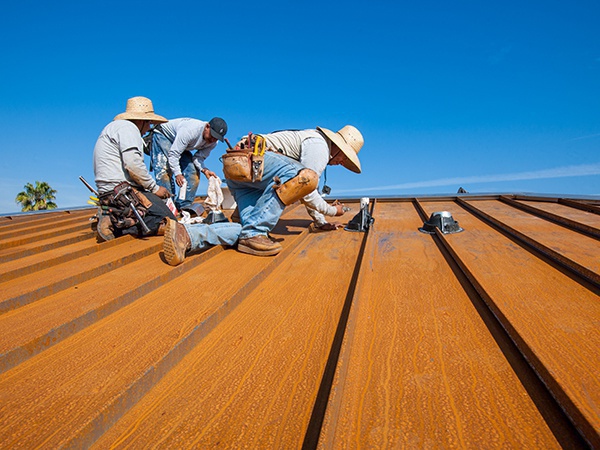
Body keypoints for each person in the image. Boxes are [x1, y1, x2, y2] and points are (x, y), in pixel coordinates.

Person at [225, 125, 364, 256]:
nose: (342, 162)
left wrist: (321, 222)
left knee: (243, 228)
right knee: (303, 177)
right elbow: (306, 185)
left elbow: (306, 189)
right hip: (253, 163)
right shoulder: (320, 146)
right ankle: (254, 232)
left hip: (238, 168)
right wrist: (333, 211)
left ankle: (244, 224)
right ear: (338, 147)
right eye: (344, 157)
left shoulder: (313, 141)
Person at [93, 96, 175, 241]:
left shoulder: (113, 128)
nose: (148, 128)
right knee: (168, 221)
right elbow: (133, 165)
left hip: (109, 193)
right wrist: (155, 188)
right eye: (148, 122)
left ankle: (115, 215)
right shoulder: (129, 128)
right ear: (141, 120)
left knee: (162, 215)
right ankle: (115, 223)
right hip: (122, 192)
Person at [149, 117, 227, 211]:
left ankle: (184, 206)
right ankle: (167, 207)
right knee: (164, 172)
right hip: (164, 136)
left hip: (183, 146)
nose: (213, 139)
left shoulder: (213, 142)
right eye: (212, 135)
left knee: (193, 172)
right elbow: (174, 154)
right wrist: (178, 174)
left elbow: (198, 158)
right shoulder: (190, 131)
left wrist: (204, 170)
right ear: (207, 126)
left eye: (216, 138)